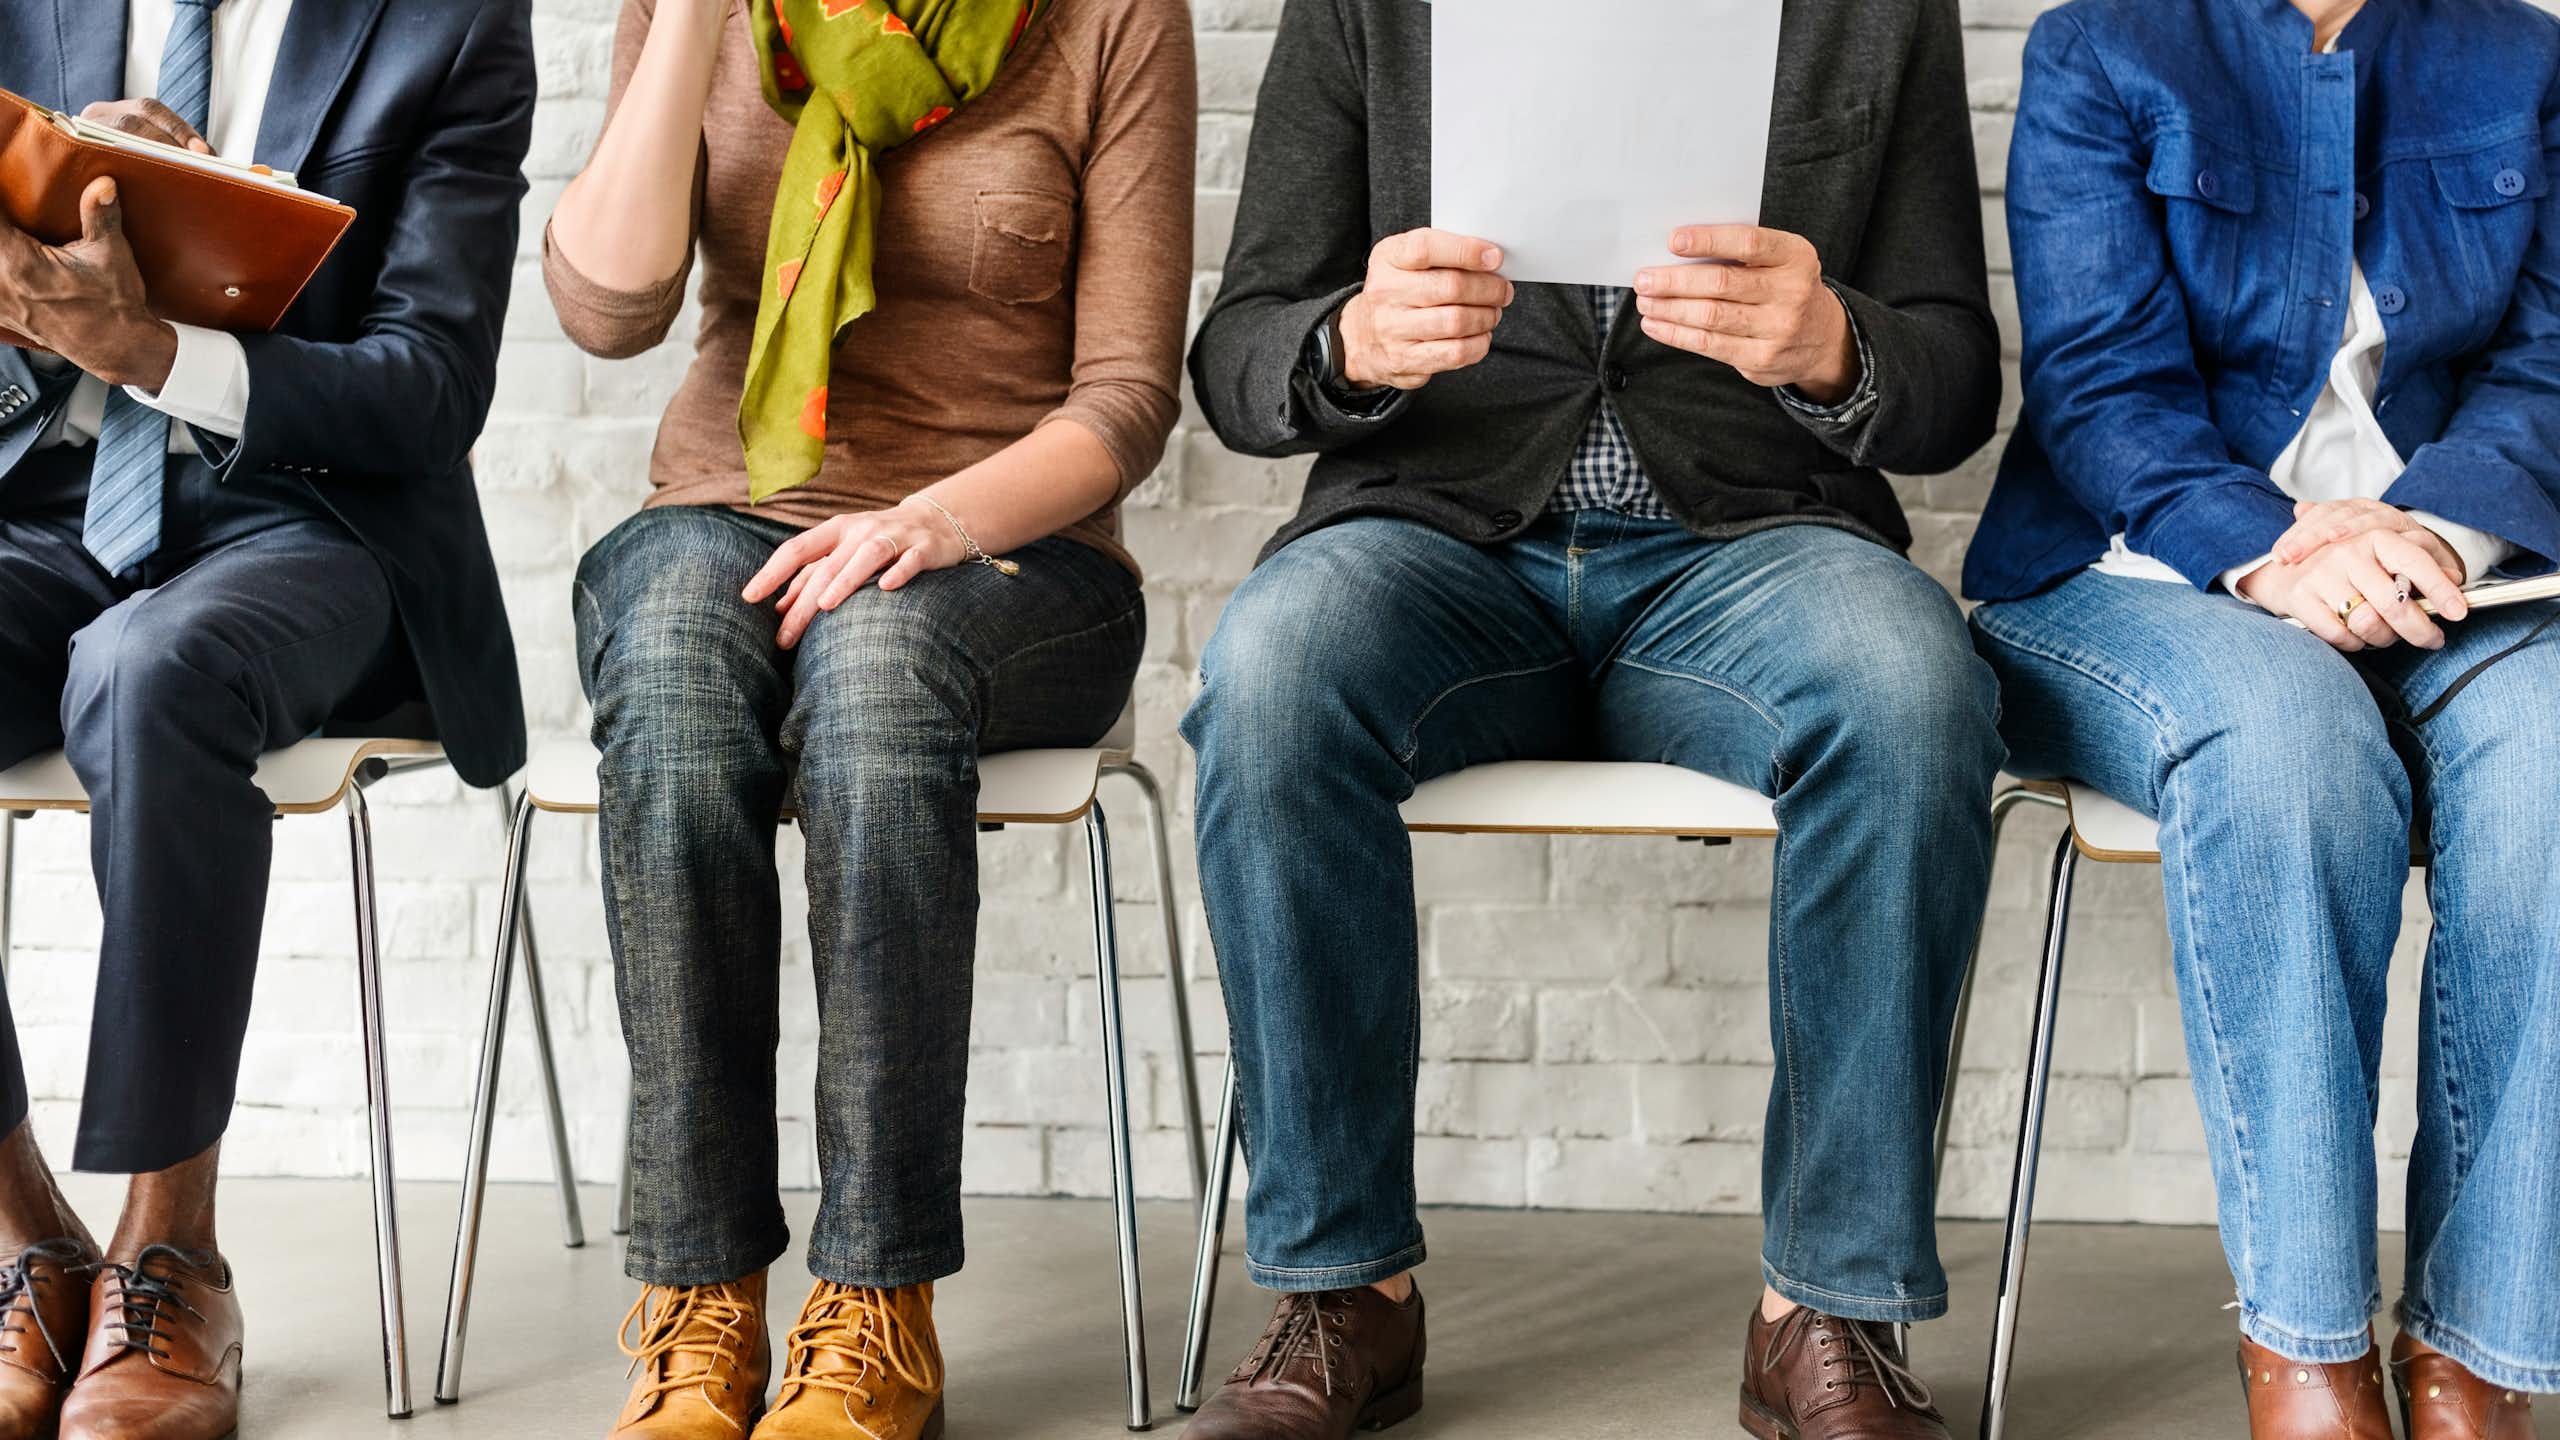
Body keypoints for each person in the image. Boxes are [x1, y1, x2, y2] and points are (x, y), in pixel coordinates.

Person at [1178, 2, 2004, 1436]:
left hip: (1750, 546)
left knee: (1912, 687)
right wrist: (1355, 341)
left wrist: (1829, 345)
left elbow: (1953, 379)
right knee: (1271, 672)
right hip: (1439, 538)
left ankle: (1826, 1306)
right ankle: (1343, 1288)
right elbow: (1240, 355)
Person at [544, 0, 1193, 1434]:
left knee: (879, 662)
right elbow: (608, 310)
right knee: (667, 656)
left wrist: (933, 523)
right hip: (726, 512)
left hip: (1015, 550)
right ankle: (699, 1290)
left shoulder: (1110, 21)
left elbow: (1132, 396)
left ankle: (876, 1299)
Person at [1965, 0, 2560, 1434]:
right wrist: (2284, 546)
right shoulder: (2101, 47)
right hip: (2146, 570)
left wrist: (2421, 538)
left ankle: (2480, 1344)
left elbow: (2551, 365)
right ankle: (2306, 1347)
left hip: (2447, 572)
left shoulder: (2524, 58)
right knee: (2292, 744)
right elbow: (2102, 385)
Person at [0, 1, 535, 1437]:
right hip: (39, 493)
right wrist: (36, 260)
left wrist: (156, 347)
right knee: (124, 646)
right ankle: (24, 1241)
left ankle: (170, 1252)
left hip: (308, 518)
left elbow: (431, 386)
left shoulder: (453, 24)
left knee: (150, 668)